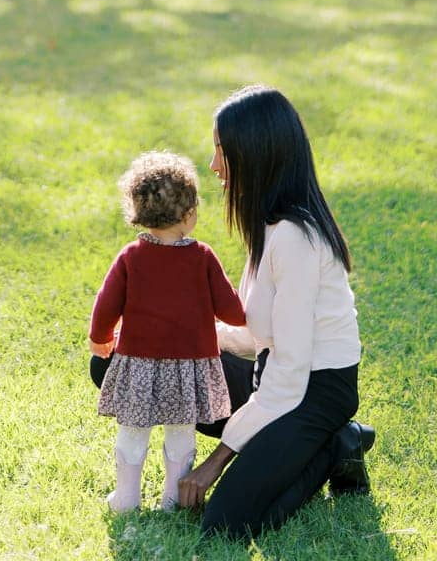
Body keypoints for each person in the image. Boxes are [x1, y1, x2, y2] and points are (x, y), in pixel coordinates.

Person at [176, 84, 375, 539]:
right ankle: (291, 447)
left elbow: (289, 372)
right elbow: (257, 334)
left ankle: (334, 445)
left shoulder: (295, 238)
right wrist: (174, 334)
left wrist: (216, 461)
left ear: (255, 154)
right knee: (131, 363)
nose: (213, 166)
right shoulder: (268, 225)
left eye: (221, 151)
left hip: (314, 392)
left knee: (226, 523)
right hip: (275, 375)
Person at [88, 150, 248, 513]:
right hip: (188, 368)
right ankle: (173, 499)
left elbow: (105, 304)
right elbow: (230, 310)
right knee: (180, 432)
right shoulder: (203, 258)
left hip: (138, 365)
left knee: (133, 431)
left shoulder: (130, 257)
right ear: (189, 215)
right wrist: (250, 313)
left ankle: (126, 499)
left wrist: (100, 339)